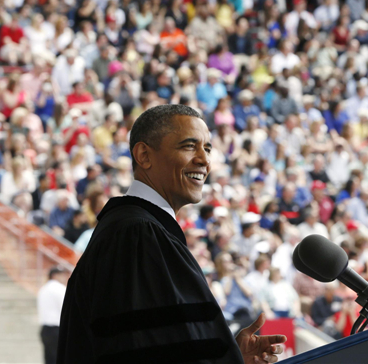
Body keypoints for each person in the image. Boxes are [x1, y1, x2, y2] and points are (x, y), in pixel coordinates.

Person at [58, 105, 286, 363]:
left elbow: (166, 345)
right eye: (189, 146)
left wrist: (231, 356)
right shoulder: (138, 236)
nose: (204, 160)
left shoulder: (134, 229)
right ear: (144, 155)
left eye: (207, 148)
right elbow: (148, 352)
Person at [37, 266, 70, 364]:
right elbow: (66, 309)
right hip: (57, 329)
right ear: (54, 275)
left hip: (45, 329)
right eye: (62, 275)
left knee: (49, 359)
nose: (65, 277)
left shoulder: (43, 289)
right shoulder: (60, 289)